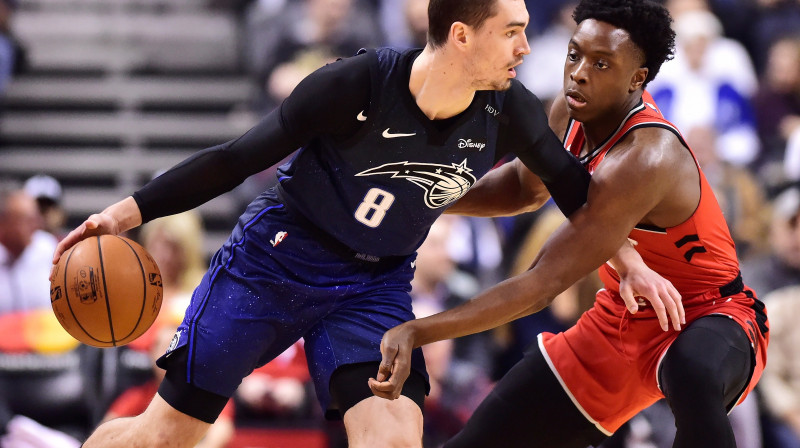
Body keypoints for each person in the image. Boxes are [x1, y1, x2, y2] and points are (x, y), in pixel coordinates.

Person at [50, 1, 607, 446]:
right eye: (512, 31)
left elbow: (578, 196)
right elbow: (235, 159)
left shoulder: (510, 110)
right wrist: (124, 212)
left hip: (372, 287)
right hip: (271, 263)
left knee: (393, 438)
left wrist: (629, 263)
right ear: (462, 36)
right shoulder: (354, 84)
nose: (526, 48)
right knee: (166, 436)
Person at [369, 1, 769, 447]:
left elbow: (541, 284)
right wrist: (424, 197)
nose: (578, 72)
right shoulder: (572, 107)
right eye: (575, 54)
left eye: (601, 64)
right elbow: (522, 189)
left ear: (638, 79)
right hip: (623, 317)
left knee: (690, 369)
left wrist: (417, 330)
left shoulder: (646, 157)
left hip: (713, 314)